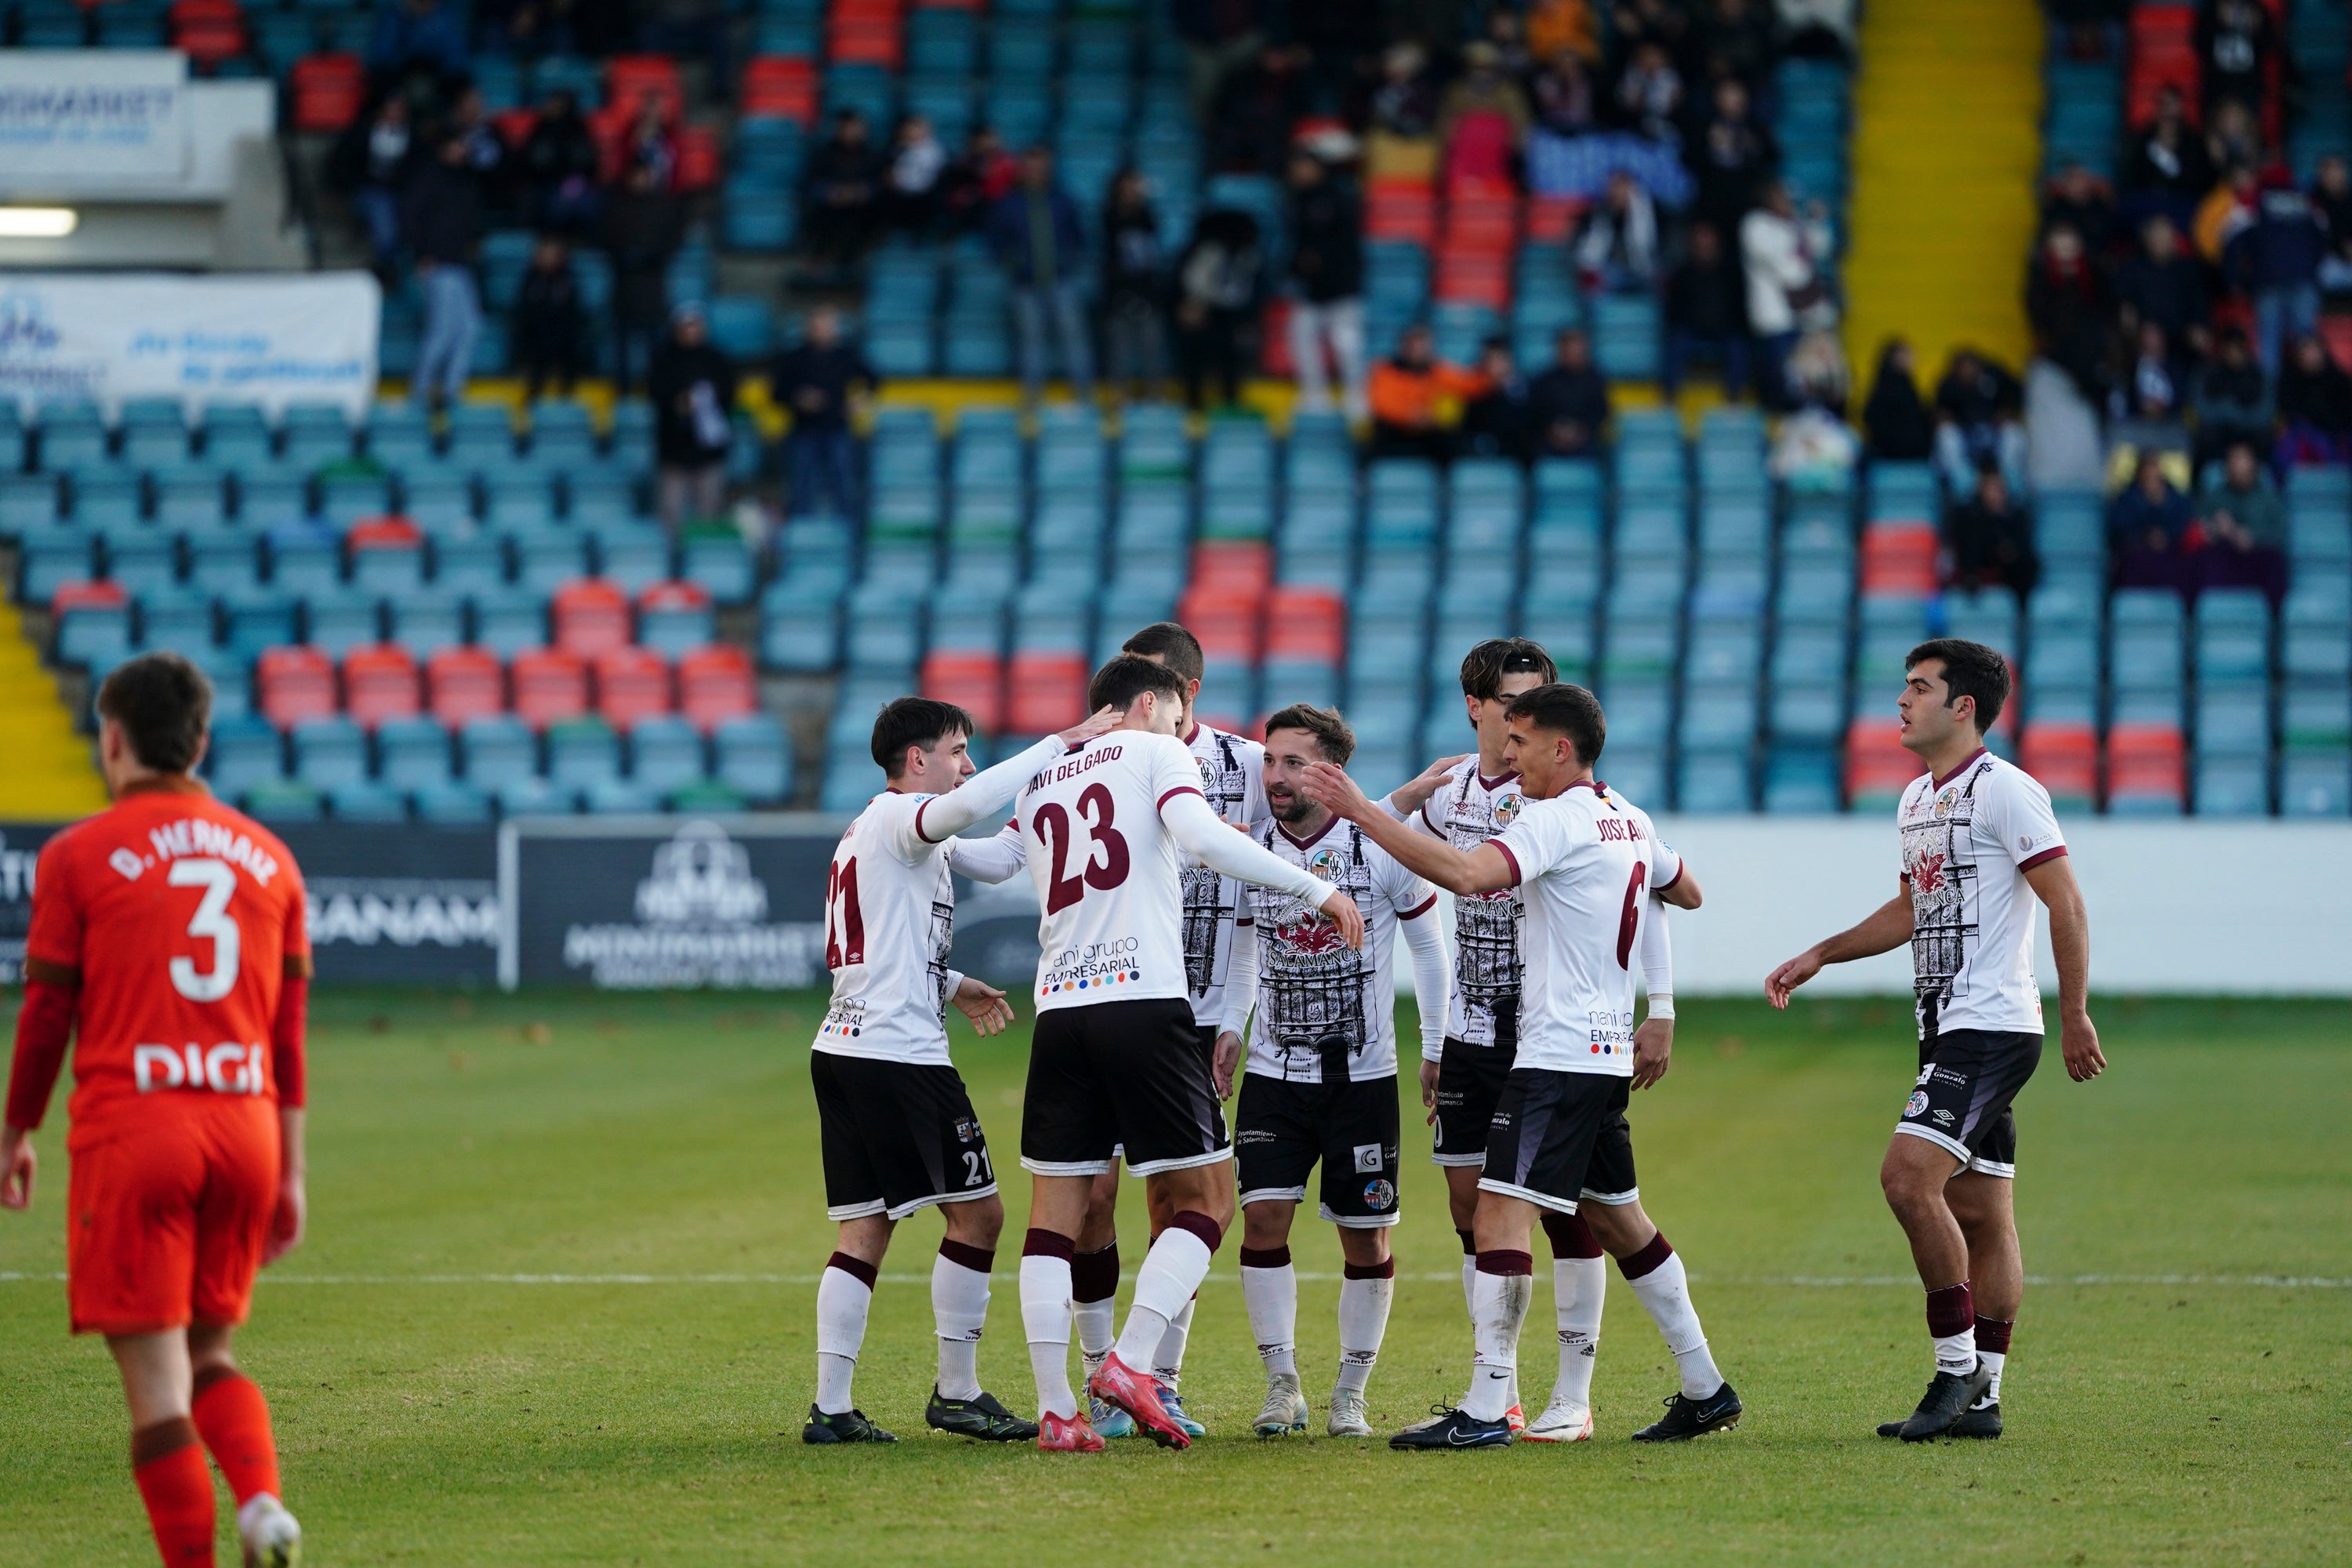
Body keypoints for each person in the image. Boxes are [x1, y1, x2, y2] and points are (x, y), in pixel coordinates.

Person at [1300, 681, 1731, 1450]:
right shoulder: (1626, 814)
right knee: (1622, 1219)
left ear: (1561, 747)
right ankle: (1705, 1385)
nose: (1509, 753)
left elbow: (1467, 875)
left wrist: (1363, 809)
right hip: (1596, 1049)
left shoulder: (1557, 817)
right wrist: (1655, 1002)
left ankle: (1488, 1404)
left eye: (1523, 741)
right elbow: (1680, 888)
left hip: (1560, 1052)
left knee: (1499, 1212)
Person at [2, 652, 310, 1567]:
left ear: (113, 737)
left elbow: (49, 1009)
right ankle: (260, 1504)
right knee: (211, 1354)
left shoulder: (77, 855)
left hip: (138, 1132)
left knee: (158, 1391)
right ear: (202, 741)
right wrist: (290, 1168)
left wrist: (16, 1128)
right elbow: (287, 1038)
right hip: (246, 1131)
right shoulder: (272, 858)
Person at [1011, 655, 1365, 1452]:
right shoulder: (1158, 749)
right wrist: (1319, 889)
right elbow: (1201, 837)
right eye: (1178, 715)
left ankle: (1057, 1409)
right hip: (1141, 1001)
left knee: (1052, 1218)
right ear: (1151, 704)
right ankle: (1133, 1363)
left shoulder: (1043, 777)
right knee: (1209, 1196)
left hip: (1059, 1008)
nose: (1185, 730)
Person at [1767, 640, 2102, 1443]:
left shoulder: (2010, 792)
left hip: (1991, 1025)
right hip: (1945, 1027)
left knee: (1907, 1178)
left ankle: (1954, 1370)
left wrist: (2077, 1012)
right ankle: (1984, 1397)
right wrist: (1822, 951)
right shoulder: (1917, 797)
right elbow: (1913, 907)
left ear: (1964, 706)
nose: (1900, 700)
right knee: (1982, 1212)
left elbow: (2066, 902)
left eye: (1918, 687)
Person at [802, 696, 1120, 1446]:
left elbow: (870, 945)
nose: (967, 765)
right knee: (979, 1214)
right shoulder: (900, 821)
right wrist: (1059, 743)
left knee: (864, 1231)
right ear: (918, 761)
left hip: (844, 1046)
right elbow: (974, 801)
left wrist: (951, 982)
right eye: (957, 749)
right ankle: (958, 1390)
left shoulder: (863, 835)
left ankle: (833, 1406)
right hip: (897, 1055)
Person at [1373, 639, 1594, 1439]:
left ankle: (1571, 1390)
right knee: (1470, 1205)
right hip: (1470, 1028)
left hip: (1547, 1030)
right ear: (1476, 705)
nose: (1522, 719)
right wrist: (1397, 799)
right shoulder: (1448, 792)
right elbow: (1368, 859)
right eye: (1511, 703)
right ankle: (1494, 1388)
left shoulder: (1562, 796)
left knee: (1565, 1209)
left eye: (1538, 703)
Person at [1221, 706, 1450, 1441]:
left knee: (1367, 1238)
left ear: (1333, 772)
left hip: (1363, 1076)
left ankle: (1350, 1391)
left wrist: (1436, 1048)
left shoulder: (1378, 844)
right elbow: (1247, 949)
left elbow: (1429, 949)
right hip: (1273, 1073)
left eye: (1294, 762)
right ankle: (1281, 1383)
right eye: (1270, 761)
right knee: (1262, 1218)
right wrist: (1233, 1025)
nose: (1276, 777)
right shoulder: (1251, 848)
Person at [1070, 622, 1269, 1441]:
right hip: (1105, 998)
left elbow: (1262, 894)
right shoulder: (1094, 756)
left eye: (1142, 687)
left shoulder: (1248, 769)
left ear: (1185, 693)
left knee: (1178, 1201)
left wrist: (1233, 1013)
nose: (1127, 702)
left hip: (1188, 1017)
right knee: (1090, 1197)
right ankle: (1099, 1375)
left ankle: (1157, 1376)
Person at [986, 146, 1094, 406]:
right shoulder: (1008, 204)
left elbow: (1078, 237)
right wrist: (1013, 262)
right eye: (1031, 165)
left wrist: (1067, 259)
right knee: (1031, 343)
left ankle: (1083, 399)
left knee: (1074, 339)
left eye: (1041, 166)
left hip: (1061, 280)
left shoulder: (1062, 201)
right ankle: (1032, 402)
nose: (1036, 171)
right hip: (1024, 285)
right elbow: (995, 242)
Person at [403, 134, 486, 413]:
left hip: (462, 264)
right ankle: (420, 392)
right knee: (442, 331)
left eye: (463, 145)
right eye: (454, 144)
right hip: (439, 263)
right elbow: (411, 216)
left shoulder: (467, 179)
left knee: (471, 328)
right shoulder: (429, 178)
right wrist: (422, 253)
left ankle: (452, 391)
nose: (459, 150)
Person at [770, 305, 877, 520]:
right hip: (804, 431)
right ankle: (802, 535)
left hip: (838, 429)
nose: (821, 330)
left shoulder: (846, 356)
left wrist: (860, 401)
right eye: (817, 326)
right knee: (802, 488)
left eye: (827, 326)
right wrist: (798, 398)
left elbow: (874, 380)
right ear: (808, 328)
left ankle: (846, 536)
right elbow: (777, 393)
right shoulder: (794, 358)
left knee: (843, 487)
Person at [1286, 151, 1368, 423]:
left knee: (1348, 346)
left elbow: (1346, 244)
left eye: (1302, 165)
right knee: (1302, 339)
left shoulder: (1339, 198)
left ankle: (1356, 399)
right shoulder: (1297, 200)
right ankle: (1314, 397)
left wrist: (1321, 262)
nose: (1297, 172)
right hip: (1311, 291)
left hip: (1342, 290)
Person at [2228, 173, 2331, 376]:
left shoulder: (2254, 199)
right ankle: (2306, 399)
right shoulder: (2305, 200)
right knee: (2306, 342)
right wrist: (2308, 267)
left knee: (2269, 344)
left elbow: (2234, 240)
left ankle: (2272, 402)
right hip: (2302, 278)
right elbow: (2323, 238)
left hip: (2268, 280)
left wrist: (2234, 278)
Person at [1741, 180, 1830, 409]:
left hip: (1799, 316)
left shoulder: (1791, 226)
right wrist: (1801, 254)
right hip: (1772, 317)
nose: (1787, 203)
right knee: (1775, 376)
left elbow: (1820, 248)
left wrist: (1815, 221)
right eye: (1781, 198)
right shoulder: (1754, 225)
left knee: (1799, 376)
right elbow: (1789, 271)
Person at [601, 159, 687, 394]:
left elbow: (675, 239)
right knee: (622, 345)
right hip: (624, 286)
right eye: (635, 175)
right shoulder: (616, 206)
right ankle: (623, 389)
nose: (640, 180)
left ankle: (656, 387)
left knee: (655, 343)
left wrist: (652, 257)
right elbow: (604, 239)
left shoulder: (664, 206)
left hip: (652, 286)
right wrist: (622, 257)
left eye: (643, 175)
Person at [648, 304, 736, 529]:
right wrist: (677, 403)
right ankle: (671, 560)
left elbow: (729, 395)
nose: (691, 331)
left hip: (709, 451)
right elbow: (657, 396)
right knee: (671, 512)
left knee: (709, 511)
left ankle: (705, 561)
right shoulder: (664, 360)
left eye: (695, 326)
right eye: (686, 326)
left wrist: (709, 399)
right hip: (674, 449)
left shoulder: (716, 359)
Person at [1171, 207, 1263, 412]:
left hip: (1232, 314)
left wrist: (1246, 318)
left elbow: (1252, 290)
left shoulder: (1249, 255)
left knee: (1231, 360)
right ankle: (1193, 404)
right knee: (1194, 358)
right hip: (1201, 310)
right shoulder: (1202, 250)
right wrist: (1189, 302)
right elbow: (1183, 281)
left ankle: (1230, 404)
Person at [1369, 324, 1487, 462]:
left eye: (1423, 344)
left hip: (1430, 431)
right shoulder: (1386, 371)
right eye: (1413, 344)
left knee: (1453, 435)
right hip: (1397, 430)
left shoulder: (1439, 371)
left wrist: (1488, 373)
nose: (1418, 350)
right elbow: (1381, 403)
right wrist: (1409, 416)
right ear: (1403, 346)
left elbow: (1470, 385)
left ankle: (1453, 478)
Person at [2025, 221, 2111, 408]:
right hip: (2057, 349)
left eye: (2070, 245)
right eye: (2061, 246)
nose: (2066, 251)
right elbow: (2037, 310)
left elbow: (2106, 304)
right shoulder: (2041, 275)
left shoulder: (2093, 271)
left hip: (2091, 348)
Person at [2194, 438, 2290, 604]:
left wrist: (2252, 538)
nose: (2239, 469)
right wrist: (2216, 530)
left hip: (2257, 558)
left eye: (2243, 462)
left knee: (2275, 563)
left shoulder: (2269, 498)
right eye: (2234, 463)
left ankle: (2276, 624)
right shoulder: (2215, 497)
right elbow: (2198, 529)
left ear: (2253, 467)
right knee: (2204, 561)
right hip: (2226, 558)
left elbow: (2280, 534)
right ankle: (2210, 616)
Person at [1100, 169, 1167, 401]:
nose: (1130, 192)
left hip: (1146, 292)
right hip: (1118, 293)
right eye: (1125, 188)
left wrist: (1142, 201)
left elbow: (1153, 242)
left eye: (1133, 187)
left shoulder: (1148, 215)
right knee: (1119, 350)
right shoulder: (1110, 214)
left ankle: (1154, 396)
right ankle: (1120, 396)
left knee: (1151, 347)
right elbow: (1112, 233)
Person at [1663, 220, 1751, 398]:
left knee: (1738, 347)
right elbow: (1673, 308)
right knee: (1675, 343)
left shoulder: (1730, 272)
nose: (1703, 242)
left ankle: (1734, 399)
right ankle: (1669, 399)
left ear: (1716, 240)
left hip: (1723, 329)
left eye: (1707, 237)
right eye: (1699, 237)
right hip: (1692, 329)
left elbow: (1739, 306)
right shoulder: (1683, 272)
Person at [332, 94, 415, 280]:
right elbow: (342, 162)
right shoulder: (362, 132)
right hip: (369, 191)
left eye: (400, 110)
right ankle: (386, 268)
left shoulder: (412, 137)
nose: (396, 114)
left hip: (402, 192)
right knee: (382, 216)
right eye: (392, 109)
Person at [2112, 214, 2210, 361]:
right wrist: (2137, 327)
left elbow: (2197, 302)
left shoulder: (2187, 270)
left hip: (2181, 336)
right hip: (2146, 335)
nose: (2162, 242)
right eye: (2157, 237)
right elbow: (2123, 301)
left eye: (2166, 237)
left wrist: (2198, 325)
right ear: (2147, 240)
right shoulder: (2132, 269)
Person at [1436, 41, 1533, 189]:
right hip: (1464, 158)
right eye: (1476, 67)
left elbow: (1519, 124)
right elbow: (1446, 124)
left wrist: (1515, 148)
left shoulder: (1508, 93)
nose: (1480, 73)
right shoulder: (1456, 92)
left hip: (1498, 157)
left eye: (1486, 68)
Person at [1690, 77, 1777, 238]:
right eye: (1727, 95)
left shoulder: (1755, 127)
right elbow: (1690, 158)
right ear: (1717, 98)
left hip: (1746, 201)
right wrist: (1709, 143)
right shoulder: (1705, 127)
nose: (1732, 100)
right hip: (1713, 202)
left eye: (1736, 95)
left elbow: (1772, 156)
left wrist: (1751, 143)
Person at [1933, 348, 2027, 496]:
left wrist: (2007, 412)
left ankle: (2010, 485)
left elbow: (2018, 395)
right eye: (1963, 369)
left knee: (2013, 432)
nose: (1967, 372)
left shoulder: (1995, 375)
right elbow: (1939, 413)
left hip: (1994, 434)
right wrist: (1948, 419)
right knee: (1947, 436)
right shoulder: (1948, 385)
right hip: (1965, 437)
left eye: (1970, 367)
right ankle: (1963, 489)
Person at [801, 109, 884, 274]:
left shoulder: (873, 156)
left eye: (855, 128)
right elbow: (810, 183)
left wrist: (860, 192)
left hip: (862, 207)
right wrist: (830, 193)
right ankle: (819, 258)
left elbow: (880, 185)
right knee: (822, 214)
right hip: (829, 206)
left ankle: (850, 263)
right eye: (846, 128)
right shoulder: (824, 154)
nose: (850, 132)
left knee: (861, 217)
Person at [1944, 465, 2039, 599]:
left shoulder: (2016, 515)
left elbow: (2022, 547)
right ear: (1981, 489)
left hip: (2010, 569)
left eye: (2000, 488)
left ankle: (2022, 610)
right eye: (1992, 488)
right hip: (1978, 563)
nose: (1997, 494)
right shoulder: (1968, 515)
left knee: (2026, 564)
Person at [511, 234, 586, 402]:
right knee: (533, 350)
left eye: (552, 253)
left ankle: (567, 403)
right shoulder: (530, 279)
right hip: (536, 339)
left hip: (563, 339)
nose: (548, 258)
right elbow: (523, 314)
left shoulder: (568, 279)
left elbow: (574, 315)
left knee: (571, 347)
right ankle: (533, 406)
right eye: (545, 253)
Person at [515, 89, 601, 233]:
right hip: (545, 185)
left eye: (557, 104)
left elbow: (589, 164)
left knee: (590, 202)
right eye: (551, 103)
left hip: (577, 185)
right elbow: (529, 163)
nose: (551, 107)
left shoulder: (579, 129)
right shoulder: (540, 129)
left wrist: (574, 182)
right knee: (552, 203)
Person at [2107, 451, 2194, 591]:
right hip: (2136, 558)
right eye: (2147, 475)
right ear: (2139, 475)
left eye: (2155, 475)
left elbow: (2184, 528)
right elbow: (2119, 530)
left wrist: (2162, 506)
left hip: (2169, 556)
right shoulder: (2126, 499)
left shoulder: (2175, 500)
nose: (2151, 479)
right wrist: (2146, 536)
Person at [2192, 326, 2274, 464]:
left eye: (2237, 349)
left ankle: (2260, 480)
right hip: (2219, 431)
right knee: (2204, 437)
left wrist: (2238, 417)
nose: (2233, 354)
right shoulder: (2208, 373)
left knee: (2265, 438)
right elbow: (2201, 410)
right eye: (2229, 348)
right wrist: (2227, 413)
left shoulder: (2259, 375)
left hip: (2250, 430)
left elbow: (2265, 413)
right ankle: (2206, 481)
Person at [1528, 327, 1612, 457]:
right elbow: (1536, 413)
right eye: (1567, 349)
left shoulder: (1596, 381)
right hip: (1549, 441)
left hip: (1585, 442)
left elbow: (1601, 413)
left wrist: (1580, 431)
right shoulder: (1543, 382)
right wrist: (1554, 430)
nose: (1572, 353)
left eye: (1576, 349)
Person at [1573, 170, 1661, 293]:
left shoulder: (1653, 214)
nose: (1618, 192)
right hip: (1607, 272)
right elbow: (1584, 250)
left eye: (1623, 188)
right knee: (1591, 283)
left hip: (1643, 270)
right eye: (1614, 187)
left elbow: (1656, 248)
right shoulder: (1595, 214)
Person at [2274, 332, 2352, 466]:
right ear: (2298, 357)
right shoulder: (2290, 381)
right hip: (2302, 434)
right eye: (2305, 352)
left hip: (2336, 433)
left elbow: (2345, 415)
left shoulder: (2340, 380)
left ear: (2322, 351)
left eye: (2313, 351)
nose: (2310, 357)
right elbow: (2288, 413)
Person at [1457, 338, 1534, 460]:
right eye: (1490, 361)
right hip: (1475, 454)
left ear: (1509, 363)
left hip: (1511, 455)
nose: (1494, 367)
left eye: (1500, 360)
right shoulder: (1471, 394)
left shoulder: (1522, 396)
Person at [1862, 338, 1935, 460]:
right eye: (1904, 355)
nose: (1911, 360)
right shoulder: (1882, 388)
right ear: (1892, 358)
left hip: (1915, 451)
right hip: (1889, 451)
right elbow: (1872, 418)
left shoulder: (1911, 386)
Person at [883, 114, 947, 235]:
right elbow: (888, 174)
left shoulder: (936, 151)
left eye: (916, 129)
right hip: (899, 196)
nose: (912, 133)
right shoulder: (895, 150)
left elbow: (937, 176)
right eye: (909, 129)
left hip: (926, 197)